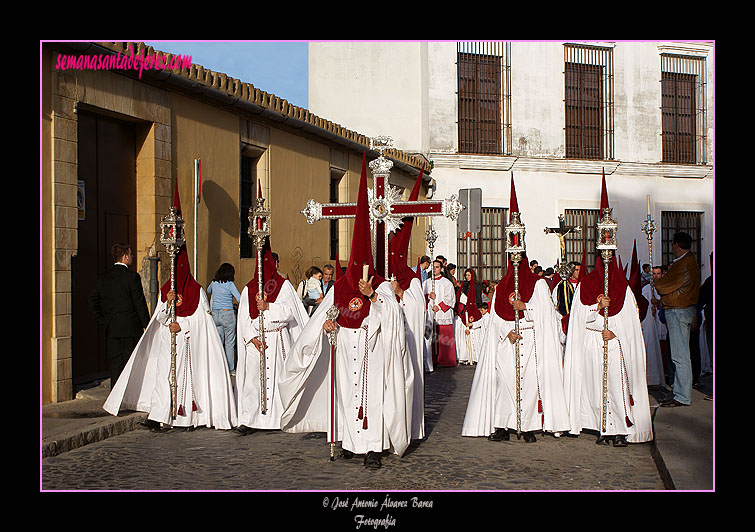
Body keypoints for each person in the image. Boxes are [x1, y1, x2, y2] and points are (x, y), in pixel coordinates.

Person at [279, 153, 414, 470]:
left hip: (372, 351)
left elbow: (394, 318)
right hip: (345, 351)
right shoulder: (339, 287)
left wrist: (374, 299)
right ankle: (352, 445)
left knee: (372, 398)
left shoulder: (380, 285)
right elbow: (323, 319)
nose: (356, 273)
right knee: (347, 396)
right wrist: (327, 328)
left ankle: (373, 448)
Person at [463, 176, 570, 443]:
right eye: (512, 256)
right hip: (507, 344)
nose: (515, 260)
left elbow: (546, 316)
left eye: (518, 256)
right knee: (503, 383)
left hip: (531, 341)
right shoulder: (501, 287)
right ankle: (502, 425)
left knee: (529, 385)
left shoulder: (538, 284)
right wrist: (506, 333)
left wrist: (527, 308)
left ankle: (528, 426)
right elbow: (495, 320)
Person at [103, 245, 238, 431]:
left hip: (186, 340)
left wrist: (183, 325)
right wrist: (167, 302)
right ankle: (158, 415)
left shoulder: (196, 291)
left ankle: (185, 418)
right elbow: (159, 317)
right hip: (167, 340)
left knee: (183, 378)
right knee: (162, 377)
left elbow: (204, 320)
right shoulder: (166, 289)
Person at [562, 176, 652, 446]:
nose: (605, 259)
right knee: (594, 388)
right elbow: (579, 316)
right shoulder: (588, 284)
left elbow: (631, 322)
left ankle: (621, 429)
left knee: (616, 386)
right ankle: (602, 428)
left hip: (614, 345)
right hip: (591, 343)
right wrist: (595, 307)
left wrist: (615, 333)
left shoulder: (621, 285)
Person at [235, 237, 310, 434]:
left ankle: (277, 419)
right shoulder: (249, 289)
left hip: (277, 340)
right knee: (253, 381)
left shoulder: (283, 286)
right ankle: (250, 419)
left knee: (277, 380)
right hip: (256, 342)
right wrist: (251, 337)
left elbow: (290, 312)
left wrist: (269, 306)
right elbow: (243, 318)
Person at [89, 243, 151, 386]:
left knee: (115, 364)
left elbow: (92, 300)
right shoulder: (132, 277)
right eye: (130, 254)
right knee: (131, 362)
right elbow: (139, 303)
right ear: (124, 257)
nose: (132, 257)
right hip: (130, 327)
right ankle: (128, 396)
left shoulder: (104, 278)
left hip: (112, 327)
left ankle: (115, 398)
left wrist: (103, 320)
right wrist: (146, 325)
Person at [653, 232, 700, 408]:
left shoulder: (682, 265)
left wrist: (659, 282)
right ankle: (680, 391)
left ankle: (682, 396)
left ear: (676, 245)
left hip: (678, 310)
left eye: (673, 245)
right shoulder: (691, 261)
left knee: (680, 355)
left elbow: (663, 286)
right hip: (685, 309)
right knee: (682, 354)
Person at [207, 263, 242, 375]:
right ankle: (230, 369)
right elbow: (239, 298)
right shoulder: (230, 284)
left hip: (215, 315)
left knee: (218, 342)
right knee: (229, 343)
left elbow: (208, 290)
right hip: (227, 314)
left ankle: (218, 367)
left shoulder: (214, 283)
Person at [424, 259, 458, 368]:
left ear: (441, 269)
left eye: (437, 267)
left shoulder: (447, 283)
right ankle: (432, 359)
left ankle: (446, 360)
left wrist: (438, 306)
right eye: (433, 267)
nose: (434, 269)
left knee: (444, 338)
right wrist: (429, 297)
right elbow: (421, 296)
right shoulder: (427, 282)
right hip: (430, 313)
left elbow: (450, 299)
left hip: (442, 314)